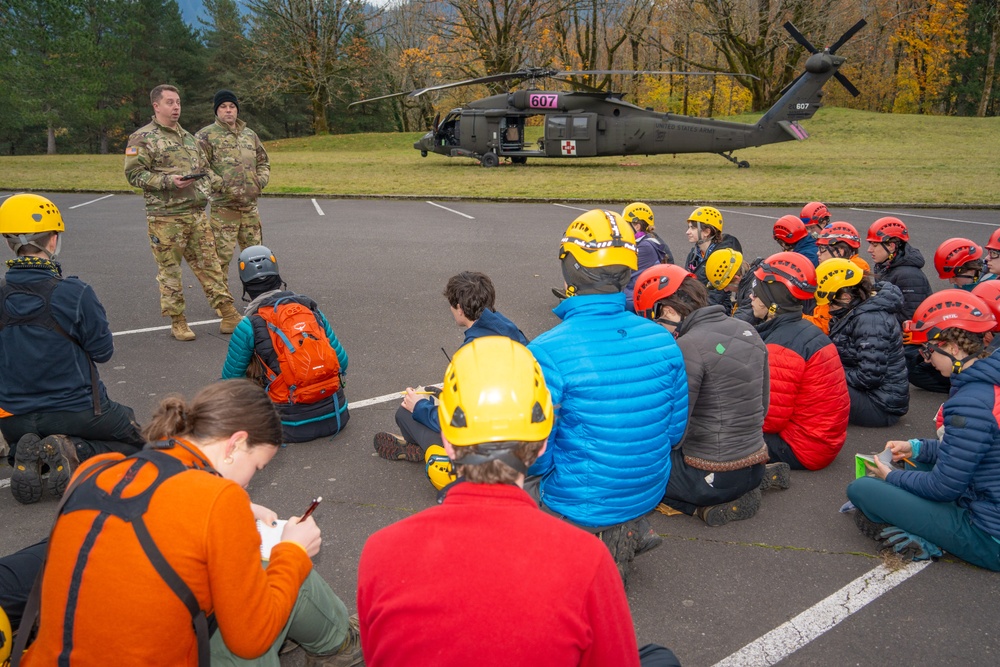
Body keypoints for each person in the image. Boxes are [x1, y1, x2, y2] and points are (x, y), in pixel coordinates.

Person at [358, 337, 679, 667]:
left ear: (448, 444)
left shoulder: (380, 552)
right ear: (541, 444)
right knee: (660, 659)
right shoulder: (587, 561)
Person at [17, 380, 362, 666]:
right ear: (236, 443)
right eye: (256, 468)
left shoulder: (99, 468)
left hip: (53, 657)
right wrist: (293, 550)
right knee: (280, 571)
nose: (247, 483)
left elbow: (158, 498)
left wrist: (238, 503)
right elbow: (250, 641)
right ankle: (344, 645)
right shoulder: (217, 500)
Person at [527, 209, 688, 582]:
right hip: (648, 487)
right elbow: (674, 432)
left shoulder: (547, 350)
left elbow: (535, 451)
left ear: (572, 267)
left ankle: (576, 549)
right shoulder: (662, 338)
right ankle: (624, 530)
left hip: (580, 498)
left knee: (502, 475)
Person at [0, 194, 144, 505]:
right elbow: (103, 352)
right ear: (52, 240)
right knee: (137, 440)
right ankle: (75, 449)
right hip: (78, 410)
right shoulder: (73, 292)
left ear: (9, 241)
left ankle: (22, 453)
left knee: (30, 434)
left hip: (12, 416)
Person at [847, 290, 1000, 570]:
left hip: (989, 536)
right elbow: (975, 450)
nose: (926, 359)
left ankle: (930, 539)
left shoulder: (970, 404)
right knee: (912, 461)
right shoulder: (989, 383)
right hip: (987, 496)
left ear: (954, 348)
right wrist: (917, 447)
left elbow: (943, 487)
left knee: (863, 488)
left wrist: (892, 477)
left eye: (929, 350)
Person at [633, 264, 783, 527]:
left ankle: (701, 509)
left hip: (709, 479)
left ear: (668, 311)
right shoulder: (748, 331)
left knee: (634, 469)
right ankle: (751, 483)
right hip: (755, 462)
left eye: (656, 320)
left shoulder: (687, 345)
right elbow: (764, 404)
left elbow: (676, 432)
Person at [124, 84, 242, 342]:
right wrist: (169, 182)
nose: (176, 107)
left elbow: (204, 168)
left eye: (178, 102)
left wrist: (209, 185)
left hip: (196, 214)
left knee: (211, 266)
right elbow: (134, 174)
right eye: (169, 102)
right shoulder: (142, 138)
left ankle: (228, 314)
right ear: (156, 106)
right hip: (166, 218)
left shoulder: (189, 137)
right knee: (170, 271)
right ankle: (178, 321)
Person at [373, 271, 527, 462]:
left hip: (488, 447)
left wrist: (420, 407)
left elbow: (462, 421)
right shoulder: (511, 330)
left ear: (460, 309)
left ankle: (435, 453)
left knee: (405, 413)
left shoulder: (470, 354)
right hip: (523, 433)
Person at [221, 246, 349, 443]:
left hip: (289, 426)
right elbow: (342, 362)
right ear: (277, 276)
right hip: (336, 413)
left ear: (245, 285)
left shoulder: (249, 325)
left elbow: (230, 383)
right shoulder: (310, 310)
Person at [752, 252, 850, 470]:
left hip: (801, 448)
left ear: (773, 302)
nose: (751, 297)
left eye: (756, 292)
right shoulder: (803, 329)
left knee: (715, 436)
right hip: (822, 440)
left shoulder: (782, 346)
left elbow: (769, 419)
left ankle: (759, 474)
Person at [816, 258, 909, 427]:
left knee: (816, 385)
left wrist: (831, 371)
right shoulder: (857, 310)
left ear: (845, 297)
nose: (828, 308)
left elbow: (869, 377)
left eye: (830, 303)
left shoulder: (870, 320)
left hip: (880, 405)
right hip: (876, 396)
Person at [196, 89, 270, 282]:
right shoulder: (205, 136)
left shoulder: (249, 135)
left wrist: (259, 181)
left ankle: (258, 296)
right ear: (216, 110)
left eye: (232, 107)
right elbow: (200, 167)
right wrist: (219, 183)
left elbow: (263, 161)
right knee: (220, 258)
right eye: (223, 107)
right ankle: (223, 301)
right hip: (224, 209)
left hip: (249, 209)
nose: (228, 111)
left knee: (256, 256)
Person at [866, 216, 931, 322]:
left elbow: (909, 319)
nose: (869, 250)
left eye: (875, 245)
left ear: (891, 246)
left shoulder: (909, 276)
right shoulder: (886, 266)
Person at [683, 206, 742, 308]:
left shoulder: (723, 258)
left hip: (715, 310)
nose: (687, 232)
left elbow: (717, 296)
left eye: (692, 228)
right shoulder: (693, 254)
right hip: (696, 306)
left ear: (706, 232)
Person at [622, 202, 672, 312]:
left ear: (637, 226)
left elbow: (622, 273)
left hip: (634, 301)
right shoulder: (643, 242)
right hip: (634, 297)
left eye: (625, 224)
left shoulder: (645, 247)